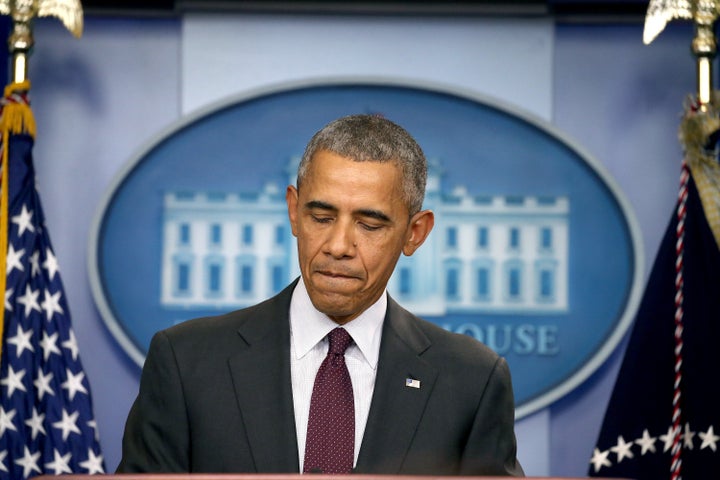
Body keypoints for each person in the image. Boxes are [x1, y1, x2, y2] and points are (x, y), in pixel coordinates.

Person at [117, 114, 524, 476]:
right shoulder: (186, 362)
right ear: (294, 211)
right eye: (322, 217)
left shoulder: (471, 381)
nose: (338, 245)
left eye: (369, 224)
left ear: (414, 233)